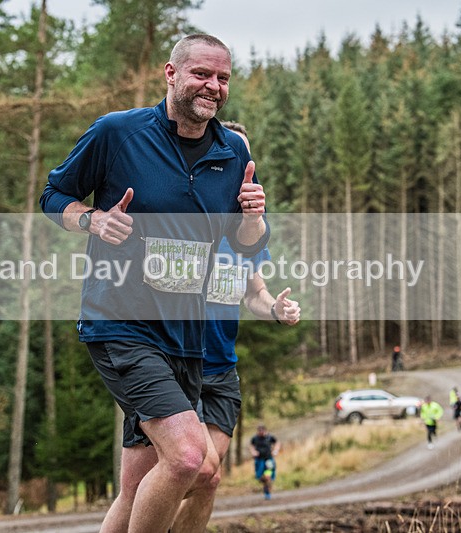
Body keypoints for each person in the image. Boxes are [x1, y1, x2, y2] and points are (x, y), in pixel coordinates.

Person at [39, 34, 270, 533]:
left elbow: (245, 247)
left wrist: (253, 216)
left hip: (188, 338)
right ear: (171, 74)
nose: (213, 86)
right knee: (189, 459)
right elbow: (54, 195)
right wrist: (92, 221)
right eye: (201, 74)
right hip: (121, 324)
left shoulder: (233, 152)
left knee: (161, 476)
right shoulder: (117, 132)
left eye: (223, 78)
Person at [171, 123, 301, 532]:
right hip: (176, 363)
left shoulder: (250, 238)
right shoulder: (187, 221)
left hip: (222, 368)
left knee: (209, 478)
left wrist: (276, 309)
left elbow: (253, 293)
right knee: (191, 467)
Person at [250, 424, 281, 499]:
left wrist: (276, 450)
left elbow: (277, 443)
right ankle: (265, 486)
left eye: (262, 430)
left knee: (268, 476)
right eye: (259, 431)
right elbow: (251, 445)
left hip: (268, 459)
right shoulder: (255, 438)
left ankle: (268, 493)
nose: (261, 432)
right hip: (259, 460)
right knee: (260, 477)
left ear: (265, 430)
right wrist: (253, 452)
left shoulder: (270, 437)